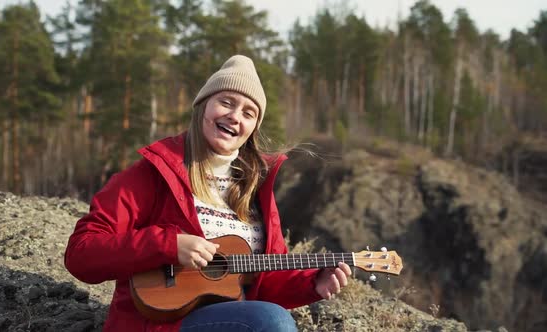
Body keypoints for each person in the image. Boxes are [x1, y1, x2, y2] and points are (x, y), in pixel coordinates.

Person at [64, 55, 352, 332]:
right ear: (202, 105)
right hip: (159, 325)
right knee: (271, 321)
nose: (235, 117)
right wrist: (169, 245)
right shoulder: (153, 173)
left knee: (270, 318)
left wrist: (312, 284)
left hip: (231, 321)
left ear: (253, 128)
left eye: (248, 113)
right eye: (226, 102)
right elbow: (82, 253)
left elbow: (263, 285)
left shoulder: (255, 190)